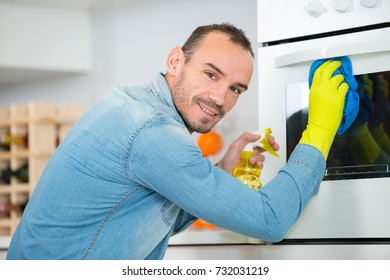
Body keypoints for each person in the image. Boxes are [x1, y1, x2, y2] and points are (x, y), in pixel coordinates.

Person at [6, 23, 348, 260]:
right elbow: (270, 221)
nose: (219, 98)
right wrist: (319, 130)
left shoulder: (132, 103)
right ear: (175, 61)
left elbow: (145, 213)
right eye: (211, 74)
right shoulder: (152, 130)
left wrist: (222, 171)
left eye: (235, 89)